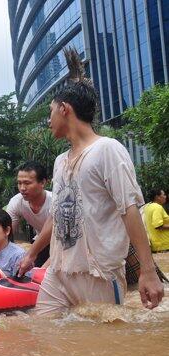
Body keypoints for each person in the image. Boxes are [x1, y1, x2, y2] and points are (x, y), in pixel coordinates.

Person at [17, 47, 163, 314]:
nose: (48, 121)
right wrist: (31, 253)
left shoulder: (108, 149)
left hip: (99, 274)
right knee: (43, 338)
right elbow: (57, 215)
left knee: (101, 346)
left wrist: (148, 270)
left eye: (50, 112)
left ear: (64, 109)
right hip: (58, 273)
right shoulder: (60, 161)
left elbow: (130, 210)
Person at [6, 161, 51, 267]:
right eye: (19, 183)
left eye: (27, 183)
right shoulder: (16, 202)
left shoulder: (56, 202)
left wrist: (43, 269)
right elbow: (6, 232)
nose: (22, 188)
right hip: (41, 243)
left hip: (64, 243)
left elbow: (64, 242)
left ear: (43, 183)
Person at [143, 189, 169, 253]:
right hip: (164, 245)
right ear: (157, 197)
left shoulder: (148, 207)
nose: (165, 197)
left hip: (157, 244)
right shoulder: (157, 207)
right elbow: (158, 225)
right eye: (164, 195)